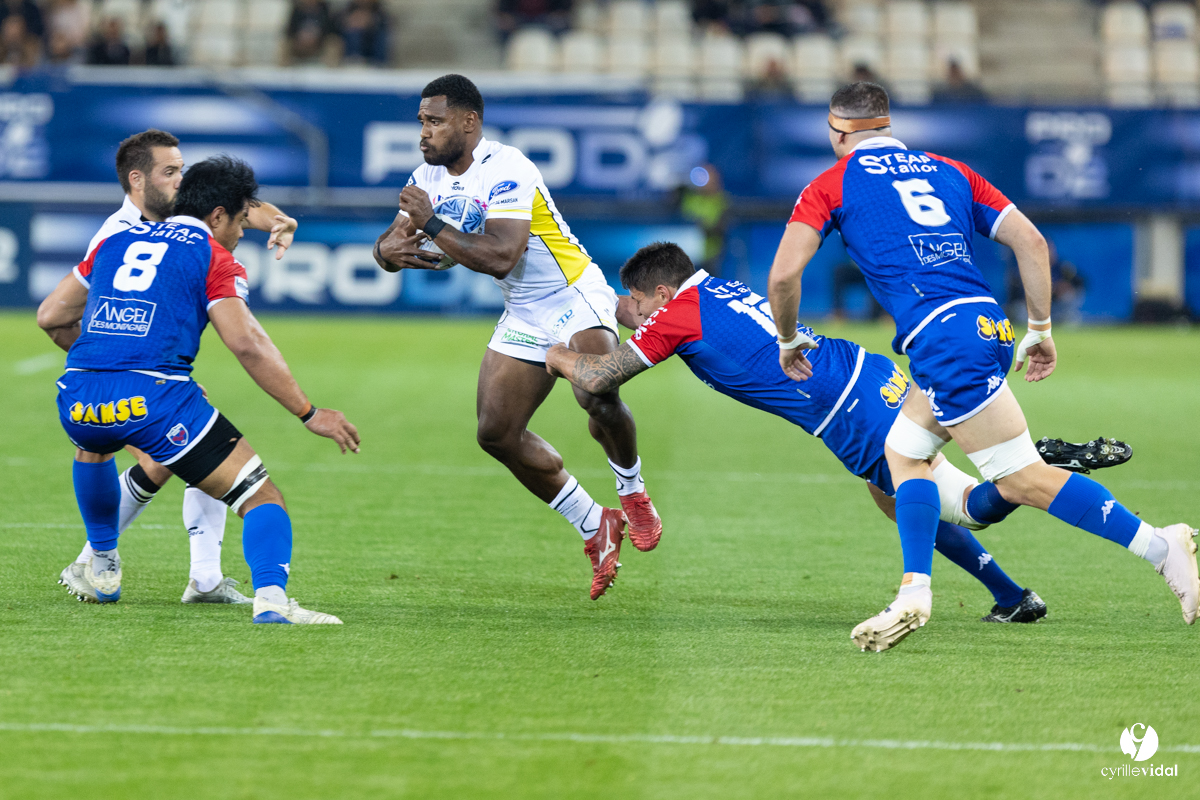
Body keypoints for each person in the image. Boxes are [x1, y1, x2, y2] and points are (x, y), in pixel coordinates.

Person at [766, 81, 1198, 651]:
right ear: (887, 123)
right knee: (903, 453)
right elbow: (1033, 242)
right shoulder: (949, 169)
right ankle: (914, 591)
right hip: (984, 327)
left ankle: (1160, 546)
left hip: (942, 340)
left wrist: (789, 337)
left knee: (1020, 479)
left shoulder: (829, 184)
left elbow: (782, 276)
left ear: (836, 130)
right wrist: (1039, 330)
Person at [547, 243, 1133, 622]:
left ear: (662, 294)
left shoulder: (677, 313)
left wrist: (553, 354)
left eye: (637, 301)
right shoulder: (711, 291)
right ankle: (1012, 592)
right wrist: (615, 308)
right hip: (869, 373)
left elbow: (599, 377)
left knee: (963, 506)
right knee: (896, 497)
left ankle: (1029, 470)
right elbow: (648, 320)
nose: (636, 311)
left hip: (844, 409)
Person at [373, 74, 661, 601]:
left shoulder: (508, 167)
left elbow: (502, 254)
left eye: (435, 121)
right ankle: (596, 523)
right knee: (496, 433)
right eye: (421, 121)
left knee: (595, 392)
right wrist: (385, 254)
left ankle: (632, 491)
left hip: (574, 291)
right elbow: (394, 244)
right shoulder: (426, 177)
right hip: (524, 310)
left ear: (469, 122)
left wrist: (433, 225)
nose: (424, 133)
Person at [36, 155, 359, 624]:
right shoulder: (215, 257)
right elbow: (247, 344)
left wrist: (104, 361)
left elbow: (52, 315)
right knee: (260, 496)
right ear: (218, 216)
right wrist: (309, 413)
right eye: (241, 221)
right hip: (154, 400)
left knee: (95, 450)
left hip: (77, 395)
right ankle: (272, 601)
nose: (242, 232)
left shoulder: (113, 241)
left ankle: (102, 564)